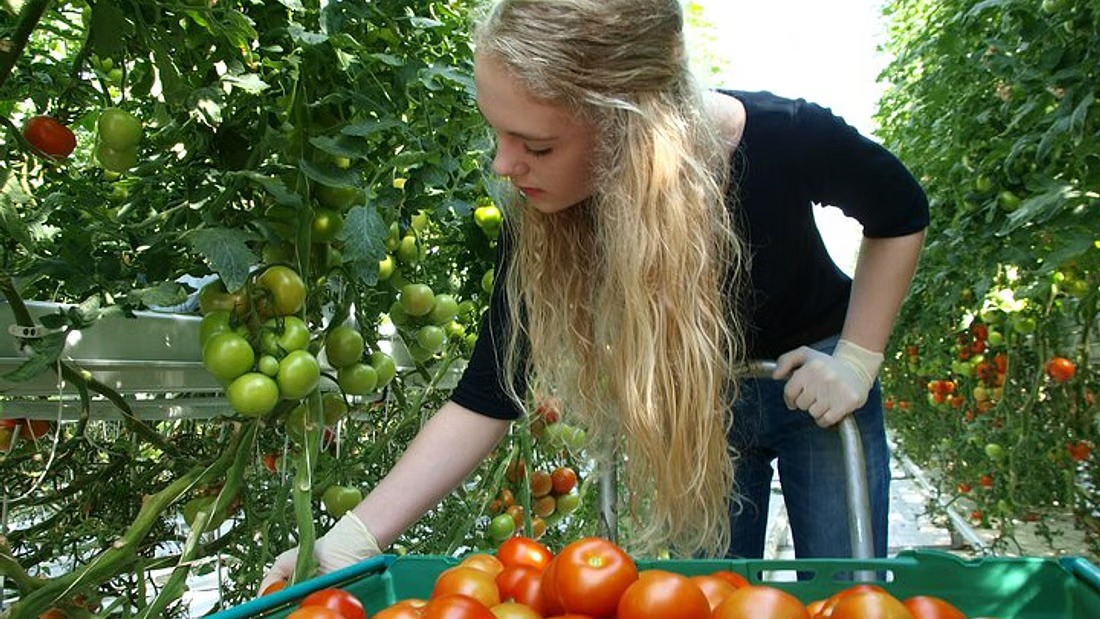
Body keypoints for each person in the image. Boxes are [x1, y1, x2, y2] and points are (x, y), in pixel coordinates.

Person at [262, 0, 927, 589]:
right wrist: (350, 538)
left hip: (814, 384)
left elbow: (900, 210)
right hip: (703, 398)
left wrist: (855, 361)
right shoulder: (545, 208)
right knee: (711, 595)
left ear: (632, 128)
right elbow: (489, 394)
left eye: (536, 144)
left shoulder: (781, 136)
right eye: (498, 133)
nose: (503, 164)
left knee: (847, 587)